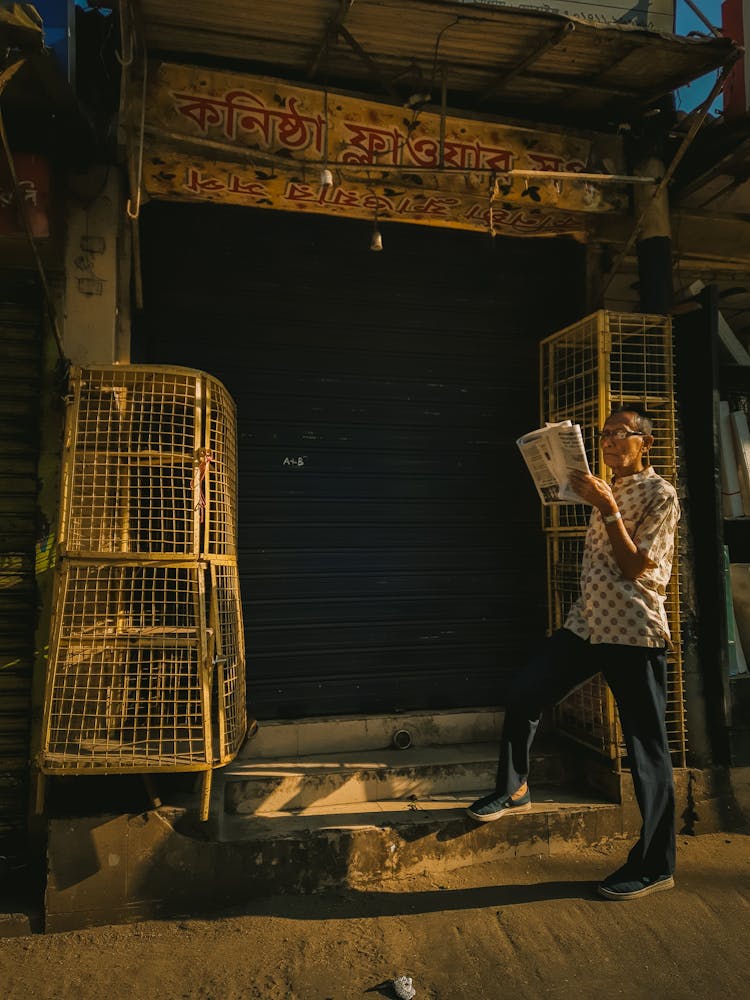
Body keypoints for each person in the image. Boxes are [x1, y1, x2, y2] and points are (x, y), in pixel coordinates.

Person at [467, 405, 681, 901]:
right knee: (524, 692)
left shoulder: (659, 493)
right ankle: (515, 787)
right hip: (587, 623)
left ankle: (655, 865)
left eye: (617, 435)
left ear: (644, 442)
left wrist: (607, 508)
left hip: (631, 628)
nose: (607, 443)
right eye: (603, 435)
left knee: (647, 751)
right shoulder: (606, 486)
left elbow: (633, 569)